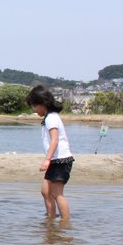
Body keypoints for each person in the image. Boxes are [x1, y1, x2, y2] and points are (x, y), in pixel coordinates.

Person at [27, 85, 72, 220]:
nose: (34, 110)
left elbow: (55, 140)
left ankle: (65, 222)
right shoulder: (49, 117)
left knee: (57, 193)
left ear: (42, 104)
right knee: (45, 192)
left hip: (61, 160)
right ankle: (51, 220)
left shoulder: (51, 118)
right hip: (56, 160)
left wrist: (47, 160)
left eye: (34, 106)